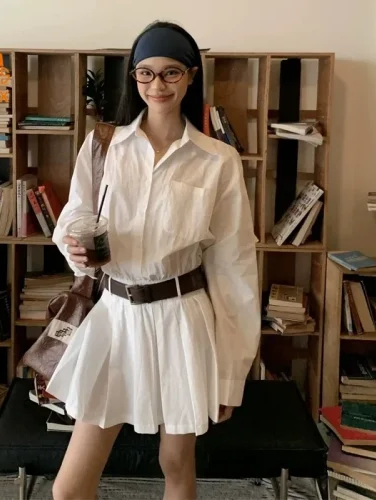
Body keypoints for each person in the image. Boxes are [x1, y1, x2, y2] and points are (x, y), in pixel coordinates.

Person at [47, 20, 261, 500]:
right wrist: (75, 245)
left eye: (170, 73)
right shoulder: (102, 145)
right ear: (134, 77)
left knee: (175, 464)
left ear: (190, 76)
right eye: (145, 73)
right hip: (115, 318)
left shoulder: (218, 160)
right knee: (69, 488)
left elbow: (234, 268)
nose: (156, 85)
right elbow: (74, 214)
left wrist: (231, 374)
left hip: (182, 320)